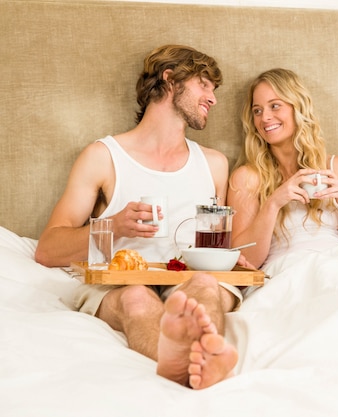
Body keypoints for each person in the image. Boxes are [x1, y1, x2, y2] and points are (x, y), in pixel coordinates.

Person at [35, 45, 240, 390]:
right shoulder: (103, 156)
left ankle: (188, 363)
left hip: (192, 276)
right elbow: (47, 249)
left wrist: (229, 253)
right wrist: (112, 226)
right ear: (170, 79)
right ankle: (192, 363)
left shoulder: (214, 164)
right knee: (135, 297)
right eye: (204, 85)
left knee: (204, 284)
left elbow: (218, 241)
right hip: (122, 282)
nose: (213, 98)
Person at [227, 68, 338, 270]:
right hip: (287, 271)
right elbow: (244, 260)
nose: (265, 118)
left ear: (298, 108)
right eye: (257, 111)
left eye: (275, 106)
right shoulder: (247, 178)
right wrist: (273, 203)